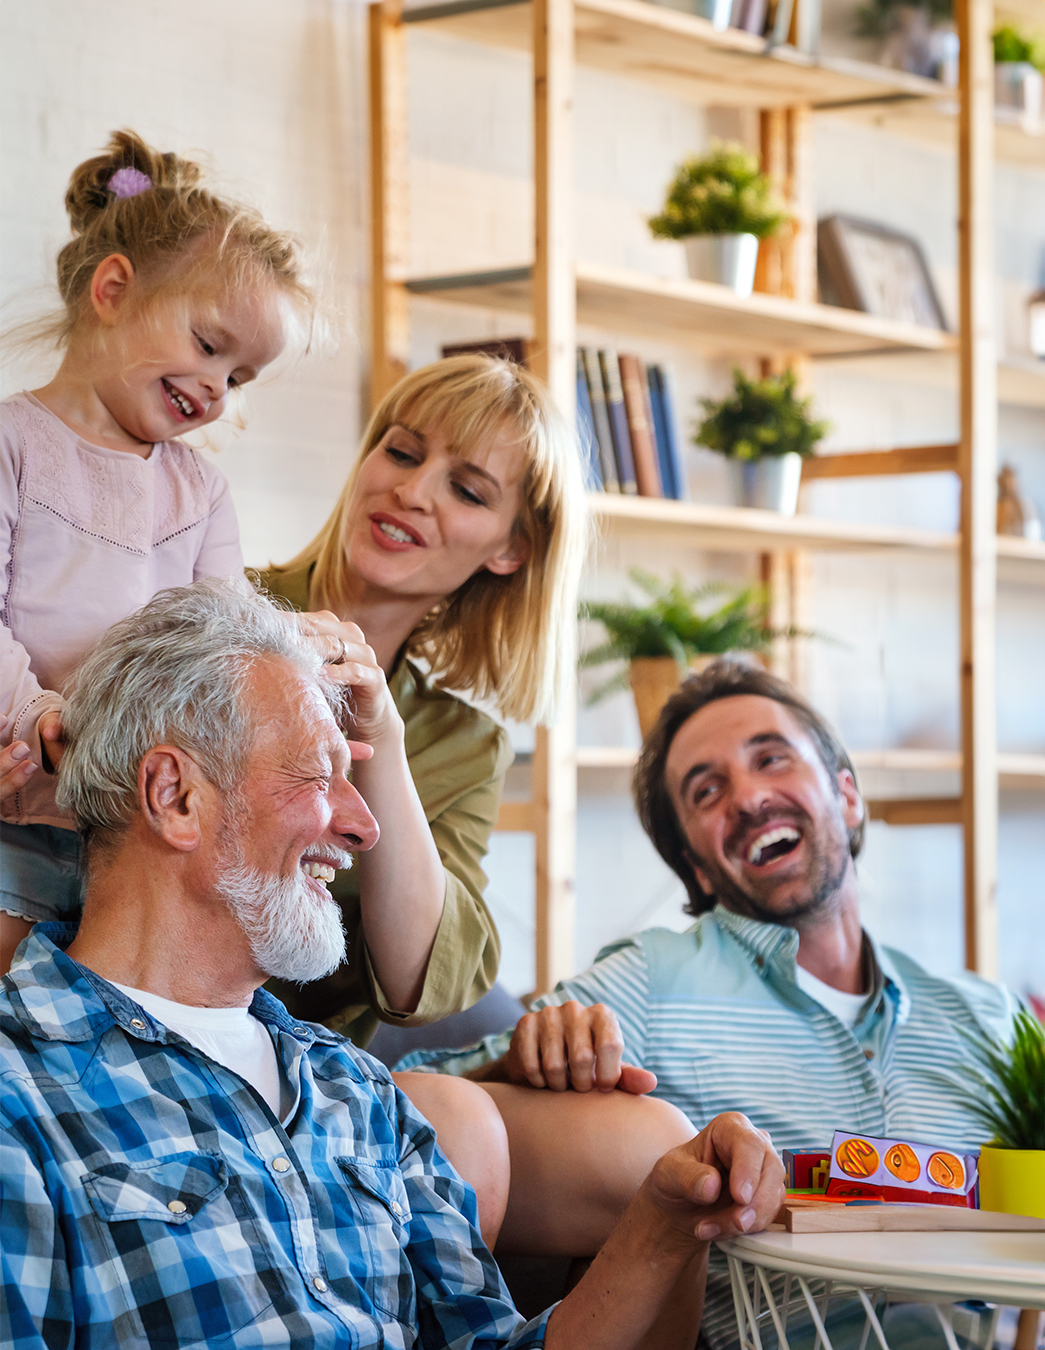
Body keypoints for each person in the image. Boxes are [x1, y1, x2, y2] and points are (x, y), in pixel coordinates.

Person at [0, 580, 784, 1350]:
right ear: (175, 796)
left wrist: (663, 1221)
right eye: (316, 774)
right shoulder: (20, 1095)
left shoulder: (354, 1091)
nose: (364, 825)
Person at [403, 661, 1021, 1348]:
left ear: (846, 796)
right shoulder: (649, 979)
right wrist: (530, 1052)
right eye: (706, 791)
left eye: (771, 758)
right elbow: (405, 1102)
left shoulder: (988, 1018)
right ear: (696, 866)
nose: (749, 797)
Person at [0, 129, 312, 973]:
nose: (216, 388)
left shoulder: (199, 493)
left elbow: (219, 654)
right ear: (111, 290)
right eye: (210, 346)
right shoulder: (12, 444)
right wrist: (35, 720)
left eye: (239, 377)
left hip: (136, 832)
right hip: (14, 804)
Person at [256, 354, 588, 1046]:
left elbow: (416, 984)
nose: (410, 491)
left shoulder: (467, 745)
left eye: (467, 491)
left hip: (308, 1063)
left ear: (511, 550)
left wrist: (386, 742)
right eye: (402, 452)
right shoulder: (218, 605)